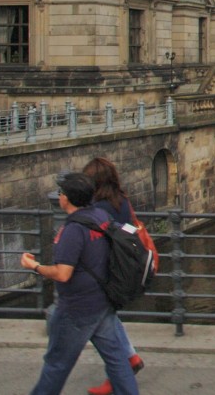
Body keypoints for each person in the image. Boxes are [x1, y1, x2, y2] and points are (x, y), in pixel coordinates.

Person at [21, 173, 139, 395]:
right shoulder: (100, 216)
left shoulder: (73, 230)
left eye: (61, 193)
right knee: (118, 360)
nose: (60, 196)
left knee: (56, 364)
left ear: (66, 199)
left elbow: (63, 274)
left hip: (76, 309)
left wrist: (34, 266)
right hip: (102, 302)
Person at [82, 158, 146, 395]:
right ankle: (129, 358)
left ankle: (121, 369)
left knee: (102, 323)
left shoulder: (99, 209)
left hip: (107, 273)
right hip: (125, 269)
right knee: (108, 319)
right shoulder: (122, 200)